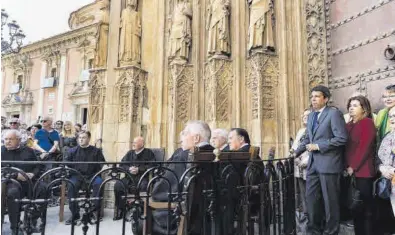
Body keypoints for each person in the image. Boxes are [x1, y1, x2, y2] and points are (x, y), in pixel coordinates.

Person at [137, 120, 214, 235]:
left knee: (140, 216)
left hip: (181, 216)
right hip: (206, 215)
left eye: (185, 133)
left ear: (196, 138)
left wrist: (153, 193)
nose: (181, 137)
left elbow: (160, 192)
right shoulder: (214, 154)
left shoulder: (183, 157)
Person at [292, 85, 348, 235]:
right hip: (313, 166)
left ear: (326, 99)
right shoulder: (311, 116)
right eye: (312, 97)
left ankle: (331, 232)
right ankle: (313, 231)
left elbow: (341, 138)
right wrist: (295, 152)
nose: (313, 99)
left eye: (317, 96)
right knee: (311, 201)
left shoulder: (334, 114)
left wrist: (318, 146)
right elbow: (308, 139)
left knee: (331, 203)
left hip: (329, 165)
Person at [1, 130, 45, 235]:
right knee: (13, 194)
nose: (7, 142)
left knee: (43, 189)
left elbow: (38, 165)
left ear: (19, 140)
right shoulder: (1, 151)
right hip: (10, 181)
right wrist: (16, 175)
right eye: (6, 139)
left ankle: (30, 221)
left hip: (29, 180)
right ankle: (14, 226)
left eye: (10, 139)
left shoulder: (29, 150)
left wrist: (33, 174)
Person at [344, 96, 376, 235]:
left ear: (364, 108)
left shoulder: (367, 123)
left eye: (355, 105)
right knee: (355, 209)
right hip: (348, 172)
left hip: (363, 172)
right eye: (350, 105)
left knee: (366, 210)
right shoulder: (348, 125)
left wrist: (353, 167)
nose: (351, 107)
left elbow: (365, 147)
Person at [64, 131, 106, 225]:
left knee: (99, 184)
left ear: (89, 139)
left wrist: (94, 170)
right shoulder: (72, 151)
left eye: (84, 137)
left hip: (92, 175)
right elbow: (66, 162)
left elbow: (101, 163)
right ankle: (75, 214)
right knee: (71, 185)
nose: (81, 139)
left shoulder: (96, 151)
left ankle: (93, 212)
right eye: (79, 138)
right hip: (76, 176)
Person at [113, 136, 156, 220]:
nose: (133, 144)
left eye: (135, 142)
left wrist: (139, 169)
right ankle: (121, 209)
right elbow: (122, 165)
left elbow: (152, 165)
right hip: (129, 178)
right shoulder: (130, 153)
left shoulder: (148, 153)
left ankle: (139, 211)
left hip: (142, 178)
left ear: (142, 143)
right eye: (133, 142)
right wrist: (129, 169)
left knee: (144, 187)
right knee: (118, 185)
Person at [377, 106, 395, 234]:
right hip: (392, 182)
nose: (393, 119)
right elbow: (377, 158)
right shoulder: (388, 136)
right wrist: (382, 168)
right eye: (391, 116)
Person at [291, 108, 311, 223]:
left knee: (311, 191)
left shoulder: (314, 129)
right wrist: (292, 153)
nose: (304, 117)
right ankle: (305, 213)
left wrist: (306, 161)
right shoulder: (300, 131)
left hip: (308, 164)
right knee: (302, 191)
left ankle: (312, 215)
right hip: (298, 164)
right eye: (303, 115)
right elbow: (295, 146)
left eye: (307, 115)